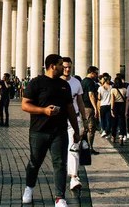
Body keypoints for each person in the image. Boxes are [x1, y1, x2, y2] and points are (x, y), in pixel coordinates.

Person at [22, 54, 80, 207]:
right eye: (61, 64)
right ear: (53, 66)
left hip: (59, 131)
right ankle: (29, 188)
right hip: (38, 131)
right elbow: (25, 105)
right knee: (35, 162)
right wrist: (43, 111)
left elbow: (70, 109)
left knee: (60, 164)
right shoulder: (36, 83)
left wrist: (76, 130)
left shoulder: (64, 85)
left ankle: (60, 197)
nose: (64, 67)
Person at [61, 57, 86, 191]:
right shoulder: (56, 82)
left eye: (69, 67)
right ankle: (64, 173)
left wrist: (85, 119)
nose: (67, 69)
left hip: (74, 119)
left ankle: (74, 177)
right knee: (61, 148)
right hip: (59, 119)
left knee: (74, 147)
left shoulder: (76, 83)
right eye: (65, 67)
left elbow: (80, 102)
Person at [81, 66, 100, 154]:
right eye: (96, 73)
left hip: (83, 106)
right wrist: (96, 108)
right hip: (89, 107)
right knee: (91, 128)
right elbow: (91, 95)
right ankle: (89, 147)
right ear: (92, 73)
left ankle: (82, 145)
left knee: (84, 127)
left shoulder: (83, 81)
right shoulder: (90, 83)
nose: (97, 75)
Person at [110, 76, 127, 145]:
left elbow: (112, 100)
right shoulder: (125, 89)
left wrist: (111, 109)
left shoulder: (113, 90)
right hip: (122, 105)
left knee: (114, 122)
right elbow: (126, 99)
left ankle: (113, 136)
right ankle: (121, 137)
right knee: (122, 122)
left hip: (116, 106)